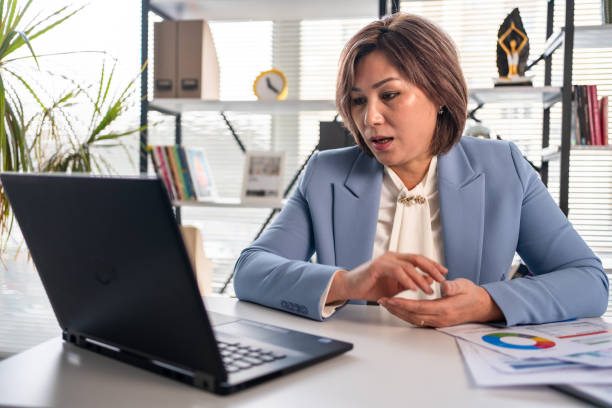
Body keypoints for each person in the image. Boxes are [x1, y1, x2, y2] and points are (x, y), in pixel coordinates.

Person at [233, 13, 608, 328]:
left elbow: (589, 280)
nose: (370, 118)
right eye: (358, 100)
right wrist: (347, 283)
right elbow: (251, 271)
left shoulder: (503, 168)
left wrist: (486, 302)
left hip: (467, 370)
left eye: (390, 94)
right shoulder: (325, 174)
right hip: (352, 370)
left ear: (441, 93)